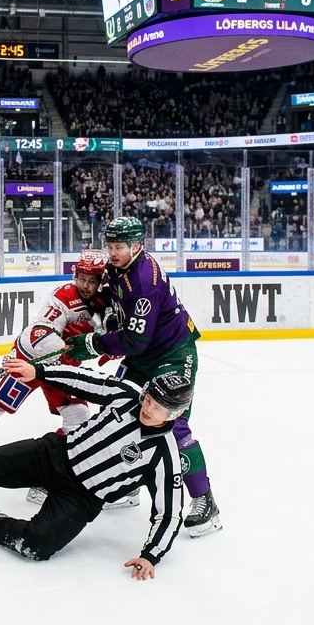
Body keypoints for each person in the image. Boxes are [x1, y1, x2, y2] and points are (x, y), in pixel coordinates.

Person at [0, 359, 191, 580]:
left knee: (37, 546)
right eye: (148, 400)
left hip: (82, 498)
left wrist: (150, 555)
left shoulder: (164, 455)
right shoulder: (127, 395)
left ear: (174, 414)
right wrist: (38, 372)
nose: (147, 408)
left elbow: (169, 512)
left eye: (157, 408)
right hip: (55, 454)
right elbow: (82, 379)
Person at [62, 216, 222, 537]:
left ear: (137, 245)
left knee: (170, 426)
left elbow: (135, 340)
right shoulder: (119, 267)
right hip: (144, 357)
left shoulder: (145, 282)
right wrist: (105, 315)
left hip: (173, 355)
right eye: (110, 246)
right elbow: (111, 297)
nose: (113, 252)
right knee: (118, 413)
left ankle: (206, 503)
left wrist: (92, 343)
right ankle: (128, 486)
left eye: (119, 246)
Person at [0, 250, 113, 445]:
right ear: (75, 275)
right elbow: (39, 336)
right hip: (28, 358)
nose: (85, 286)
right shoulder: (64, 296)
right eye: (82, 279)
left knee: (79, 416)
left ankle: (60, 460)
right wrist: (76, 351)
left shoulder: (107, 300)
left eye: (91, 281)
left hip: (63, 368)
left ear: (100, 281)